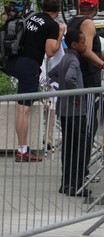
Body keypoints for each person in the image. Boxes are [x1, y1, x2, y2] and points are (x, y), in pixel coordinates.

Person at [4, 0, 65, 162]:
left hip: (12, 61)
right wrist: (59, 34)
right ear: (58, 11)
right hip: (28, 66)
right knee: (23, 110)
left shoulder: (31, 15)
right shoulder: (52, 25)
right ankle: (22, 151)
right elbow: (50, 51)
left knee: (22, 104)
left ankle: (23, 149)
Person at [67, 0, 104, 182]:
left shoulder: (74, 20)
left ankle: (73, 173)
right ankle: (81, 174)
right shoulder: (88, 23)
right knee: (87, 130)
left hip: (81, 82)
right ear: (96, 9)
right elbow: (87, 51)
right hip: (88, 82)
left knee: (79, 129)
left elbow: (91, 48)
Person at [48, 29, 91, 197]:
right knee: (80, 148)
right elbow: (69, 78)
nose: (85, 45)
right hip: (76, 112)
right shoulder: (74, 60)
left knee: (68, 148)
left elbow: (53, 74)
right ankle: (77, 186)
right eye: (82, 43)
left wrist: (62, 88)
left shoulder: (65, 58)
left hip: (64, 112)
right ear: (74, 44)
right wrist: (76, 94)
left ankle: (65, 184)